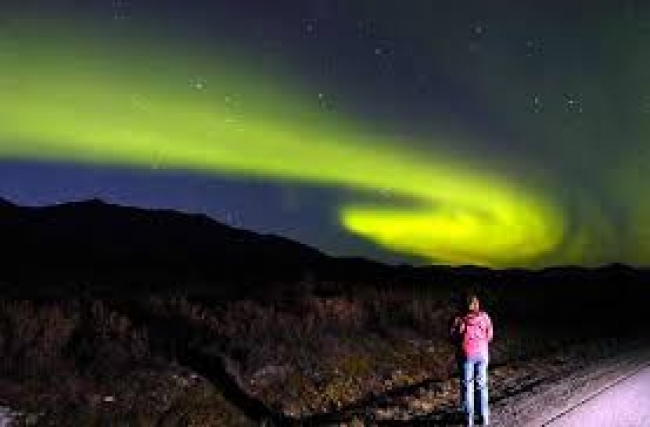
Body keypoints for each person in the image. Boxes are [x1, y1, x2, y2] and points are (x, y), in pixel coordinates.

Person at [450, 293, 494, 426]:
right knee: (482, 385)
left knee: (467, 386)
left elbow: (452, 337)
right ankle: (484, 418)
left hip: (466, 354)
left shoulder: (459, 319)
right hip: (482, 354)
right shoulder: (485, 317)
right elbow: (490, 336)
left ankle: (468, 420)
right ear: (477, 304)